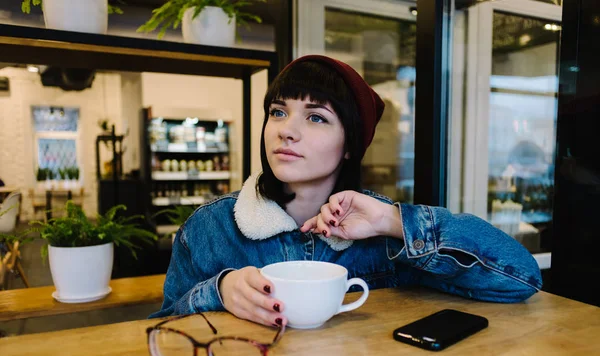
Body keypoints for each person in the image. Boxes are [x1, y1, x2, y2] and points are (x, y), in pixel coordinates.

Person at [150, 55, 542, 327]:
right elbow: (157, 331)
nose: (286, 129)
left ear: (351, 144)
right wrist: (219, 291)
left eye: (316, 117)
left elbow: (521, 279)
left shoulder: (381, 231)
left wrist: (393, 221)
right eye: (278, 111)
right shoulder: (211, 227)